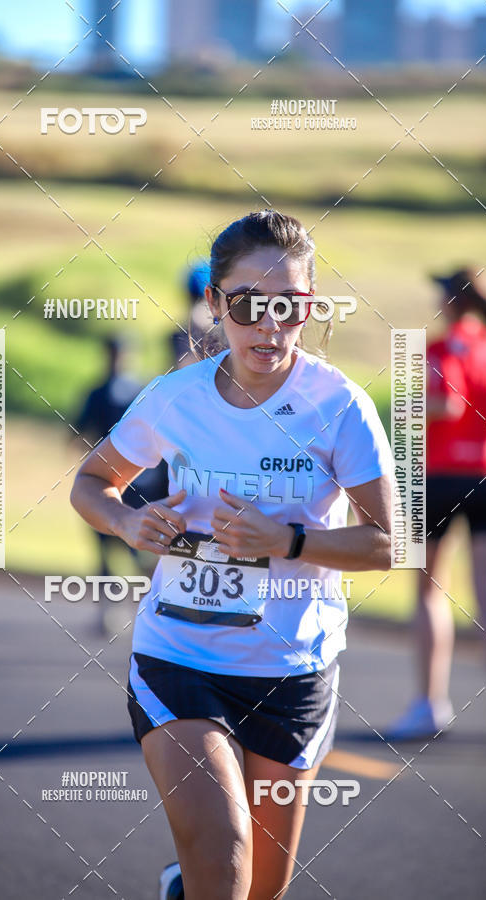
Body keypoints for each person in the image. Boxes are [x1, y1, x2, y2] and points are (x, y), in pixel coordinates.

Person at [70, 210, 394, 900]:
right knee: (227, 861)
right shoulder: (175, 397)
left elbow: (386, 543)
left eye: (290, 307)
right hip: (179, 657)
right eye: (249, 306)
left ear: (309, 307)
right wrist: (128, 526)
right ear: (216, 304)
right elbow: (92, 483)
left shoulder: (339, 407)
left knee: (261, 890)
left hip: (292, 670)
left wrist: (289, 541)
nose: (270, 327)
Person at [386, 268, 486, 750]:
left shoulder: (441, 347)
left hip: (436, 477)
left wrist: (405, 407)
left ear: (452, 300)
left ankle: (429, 704)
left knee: (430, 591)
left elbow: (446, 404)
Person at [73, 337, 168, 631]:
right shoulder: (140, 391)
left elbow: (77, 435)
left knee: (121, 549)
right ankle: (133, 611)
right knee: (125, 550)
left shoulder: (104, 392)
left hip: (120, 484)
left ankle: (125, 612)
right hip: (132, 485)